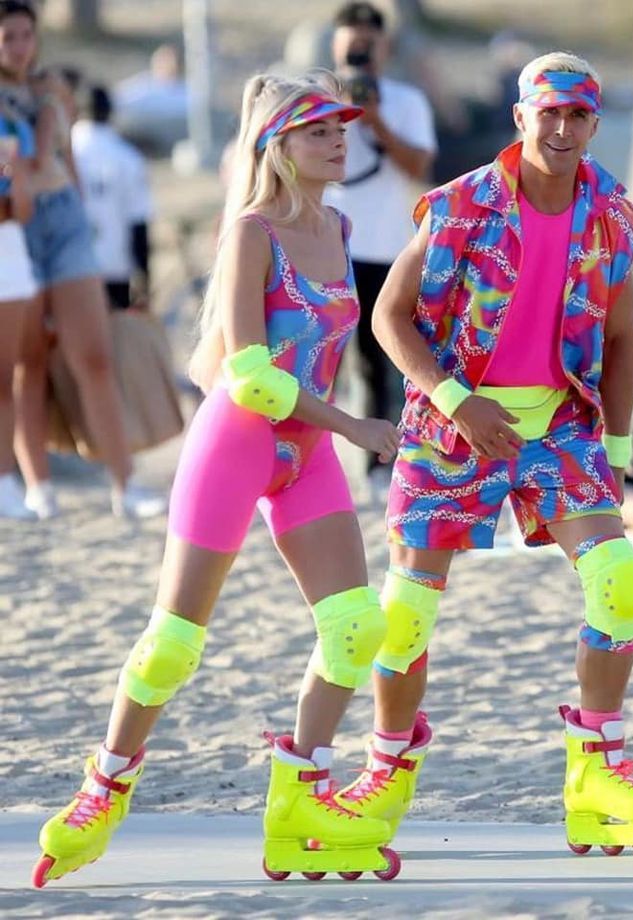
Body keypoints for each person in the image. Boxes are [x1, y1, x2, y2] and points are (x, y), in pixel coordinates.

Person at [33, 71, 404, 889]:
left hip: (305, 456)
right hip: (239, 443)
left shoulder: (341, 228)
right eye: (319, 131)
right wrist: (354, 428)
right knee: (174, 643)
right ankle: (102, 789)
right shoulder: (251, 232)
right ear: (279, 146)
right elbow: (250, 376)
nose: (340, 140)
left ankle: (301, 794)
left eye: (344, 128)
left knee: (356, 631)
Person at [332, 52, 633, 857]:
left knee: (623, 585)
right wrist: (459, 399)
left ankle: (595, 773)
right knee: (404, 615)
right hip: (452, 422)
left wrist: (619, 449)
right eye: (549, 113)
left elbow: (624, 340)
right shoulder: (461, 206)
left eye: (579, 116)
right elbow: (388, 318)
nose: (562, 129)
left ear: (595, 124)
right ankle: (382, 774)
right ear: (522, 117)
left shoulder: (614, 216)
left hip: (560, 427)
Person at [0, 1, 166, 519]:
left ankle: (125, 482)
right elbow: (25, 161)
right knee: (27, 364)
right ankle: (36, 485)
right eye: (8, 37)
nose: (20, 47)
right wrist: (48, 112)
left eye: (26, 35)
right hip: (13, 226)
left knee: (93, 355)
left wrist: (55, 108)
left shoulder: (51, 87)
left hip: (65, 220)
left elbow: (64, 159)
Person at [325, 1, 437, 479]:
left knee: (377, 361)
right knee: (313, 358)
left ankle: (376, 466)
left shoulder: (406, 102)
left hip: (383, 247)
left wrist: (375, 122)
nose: (360, 54)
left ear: (385, 48)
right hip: (323, 246)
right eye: (352, 45)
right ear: (334, 44)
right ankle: (307, 462)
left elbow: (420, 169)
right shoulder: (317, 96)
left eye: (368, 47)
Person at [72, 85, 152, 310]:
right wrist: (145, 276)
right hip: (115, 267)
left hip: (68, 270)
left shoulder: (63, 153)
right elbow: (138, 222)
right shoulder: (128, 157)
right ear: (109, 112)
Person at [0, 98, 36, 518]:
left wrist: (16, 174)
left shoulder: (13, 126)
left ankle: (6, 480)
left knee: (4, 375)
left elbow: (21, 210)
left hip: (8, 260)